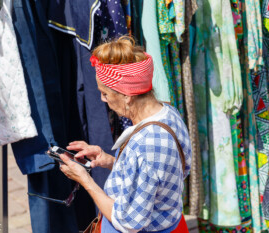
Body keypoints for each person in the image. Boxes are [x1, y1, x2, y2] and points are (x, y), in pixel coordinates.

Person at [59, 36, 192, 233]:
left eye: (105, 93)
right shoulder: (169, 114)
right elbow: (159, 175)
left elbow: (127, 222)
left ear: (126, 95)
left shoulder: (144, 146)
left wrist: (85, 180)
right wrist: (111, 161)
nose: (103, 100)